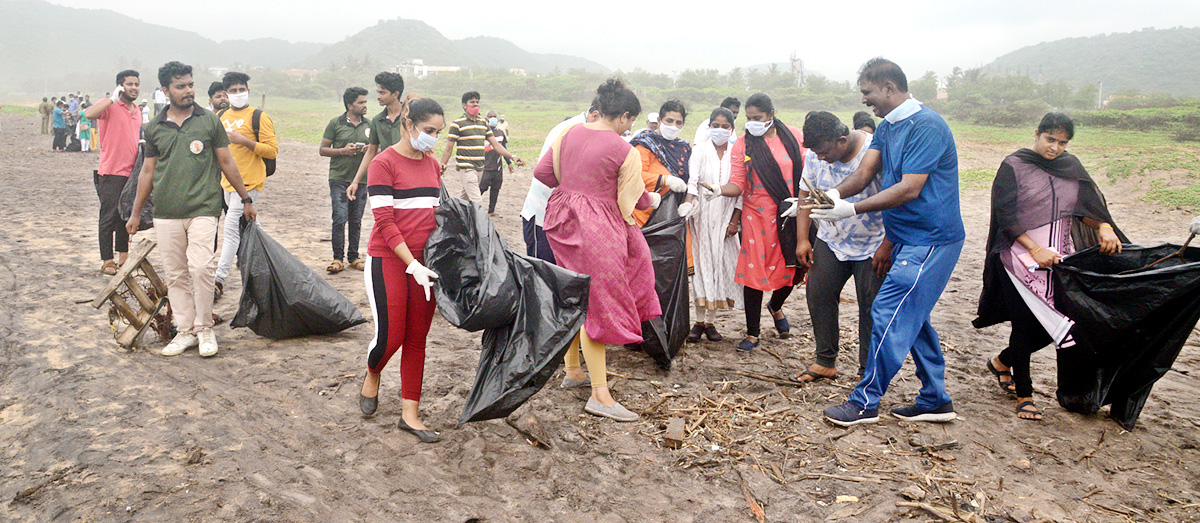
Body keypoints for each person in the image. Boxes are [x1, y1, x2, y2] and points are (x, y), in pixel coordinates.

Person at [813, 58, 965, 426]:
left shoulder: (927, 126)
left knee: (886, 311)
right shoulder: (888, 126)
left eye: (868, 93)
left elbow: (910, 188)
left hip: (931, 238)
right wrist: (828, 197)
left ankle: (865, 401)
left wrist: (851, 210)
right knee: (914, 317)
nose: (865, 101)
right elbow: (865, 172)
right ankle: (935, 399)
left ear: (889, 88)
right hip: (907, 238)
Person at [973, 113, 1125, 420]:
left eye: (1062, 142)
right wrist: (1035, 249)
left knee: (1064, 321)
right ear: (1037, 134)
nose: (1055, 148)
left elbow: (1085, 210)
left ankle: (1002, 361)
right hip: (1017, 257)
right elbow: (1006, 216)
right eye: (1050, 139)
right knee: (1024, 323)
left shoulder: (1071, 168)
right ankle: (1024, 394)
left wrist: (1104, 227)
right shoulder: (1014, 165)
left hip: (1059, 258)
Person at [534, 78, 662, 422]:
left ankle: (573, 370)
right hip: (596, 227)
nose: (630, 127)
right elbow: (631, 198)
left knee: (577, 294)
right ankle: (600, 396)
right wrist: (655, 198)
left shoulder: (570, 132)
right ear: (622, 116)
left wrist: (575, 186)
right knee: (599, 302)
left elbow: (543, 172)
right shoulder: (624, 149)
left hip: (561, 220)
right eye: (630, 121)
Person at [126, 61, 257, 358]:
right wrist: (135, 214)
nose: (188, 91)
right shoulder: (154, 127)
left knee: (200, 267)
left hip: (204, 207)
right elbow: (147, 172)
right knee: (175, 274)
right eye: (180, 86)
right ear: (165, 90)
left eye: (190, 84)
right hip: (166, 211)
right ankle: (184, 331)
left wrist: (246, 199)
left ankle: (204, 327)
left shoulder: (209, 121)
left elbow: (226, 162)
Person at [356, 97, 445, 443]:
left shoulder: (433, 165)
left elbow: (437, 214)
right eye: (428, 130)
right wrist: (413, 265)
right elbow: (385, 223)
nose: (433, 138)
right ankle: (372, 371)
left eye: (438, 132)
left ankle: (410, 414)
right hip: (390, 260)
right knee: (392, 336)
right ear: (408, 124)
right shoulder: (383, 163)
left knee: (416, 339)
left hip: (427, 265)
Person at [703, 93, 807, 352]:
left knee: (796, 269)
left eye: (757, 118)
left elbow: (808, 171)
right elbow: (738, 183)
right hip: (755, 215)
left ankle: (776, 306)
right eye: (748, 118)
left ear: (771, 115)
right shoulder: (743, 143)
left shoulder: (793, 136)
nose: (751, 123)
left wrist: (805, 202)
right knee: (754, 273)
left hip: (790, 212)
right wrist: (718, 190)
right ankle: (752, 333)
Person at [794, 111, 886, 382]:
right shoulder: (815, 153)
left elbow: (895, 198)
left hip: (873, 242)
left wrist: (888, 244)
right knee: (818, 294)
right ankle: (825, 361)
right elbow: (805, 193)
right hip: (831, 240)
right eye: (815, 153)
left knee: (870, 306)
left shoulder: (875, 151)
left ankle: (867, 370)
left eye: (824, 152)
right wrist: (803, 238)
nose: (819, 158)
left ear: (842, 140)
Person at [679, 107, 742, 342]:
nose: (720, 130)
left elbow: (741, 190)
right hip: (701, 218)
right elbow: (692, 182)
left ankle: (711, 322)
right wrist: (687, 205)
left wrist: (734, 221)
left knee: (719, 267)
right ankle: (698, 321)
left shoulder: (737, 153)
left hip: (726, 219)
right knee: (702, 267)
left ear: (732, 129)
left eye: (725, 126)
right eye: (715, 125)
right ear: (709, 127)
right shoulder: (700, 150)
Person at [213, 72, 278, 299]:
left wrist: (244, 141)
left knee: (231, 228)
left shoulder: (259, 116)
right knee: (250, 226)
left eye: (241, 89)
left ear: (248, 91)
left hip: (250, 182)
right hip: (227, 182)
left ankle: (218, 279)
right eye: (233, 90)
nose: (237, 94)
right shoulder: (221, 115)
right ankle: (273, 264)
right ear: (225, 93)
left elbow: (271, 150)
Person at [521, 100, 600, 263]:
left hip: (563, 220)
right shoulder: (570, 132)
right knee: (541, 275)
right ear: (595, 115)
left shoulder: (587, 130)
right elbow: (544, 173)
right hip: (543, 217)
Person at [344, 72, 407, 266]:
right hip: (388, 178)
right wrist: (356, 180)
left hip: (409, 177)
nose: (378, 96)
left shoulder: (411, 115)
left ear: (395, 93)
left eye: (382, 92)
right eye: (378, 92)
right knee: (386, 218)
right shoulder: (378, 120)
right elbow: (371, 151)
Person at [85, 70, 143, 275]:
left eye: (136, 84)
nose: (134, 88)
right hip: (110, 172)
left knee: (124, 216)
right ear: (120, 86)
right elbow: (89, 114)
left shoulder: (137, 110)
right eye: (129, 84)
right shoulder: (109, 106)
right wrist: (111, 98)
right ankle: (107, 260)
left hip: (131, 172)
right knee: (108, 217)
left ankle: (123, 257)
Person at [320, 87, 372, 274]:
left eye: (365, 102)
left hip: (362, 180)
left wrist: (369, 150)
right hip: (339, 178)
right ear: (350, 105)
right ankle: (337, 259)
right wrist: (343, 151)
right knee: (340, 218)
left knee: (356, 219)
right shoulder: (336, 123)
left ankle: (354, 257)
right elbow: (323, 149)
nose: (365, 105)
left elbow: (379, 150)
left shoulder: (370, 125)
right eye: (361, 102)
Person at [439, 91, 522, 207]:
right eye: (472, 102)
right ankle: (479, 225)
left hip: (480, 168)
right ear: (464, 105)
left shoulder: (483, 123)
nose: (475, 105)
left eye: (477, 102)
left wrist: (512, 157)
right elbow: (449, 148)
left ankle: (453, 217)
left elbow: (496, 145)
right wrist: (442, 164)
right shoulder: (457, 124)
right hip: (466, 168)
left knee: (465, 199)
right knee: (476, 201)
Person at [630, 100, 691, 227]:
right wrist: (665, 180)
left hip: (673, 213)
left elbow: (692, 178)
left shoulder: (684, 148)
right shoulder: (645, 144)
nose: (673, 126)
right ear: (659, 120)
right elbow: (633, 176)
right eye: (669, 121)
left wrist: (691, 201)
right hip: (644, 211)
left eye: (678, 123)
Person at [478, 110, 514, 216]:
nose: (493, 118)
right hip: (485, 167)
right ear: (486, 119)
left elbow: (504, 148)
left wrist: (509, 162)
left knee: (495, 189)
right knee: (481, 188)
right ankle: (472, 207)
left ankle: (491, 211)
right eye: (491, 116)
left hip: (497, 167)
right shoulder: (482, 133)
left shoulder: (500, 133)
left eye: (494, 116)